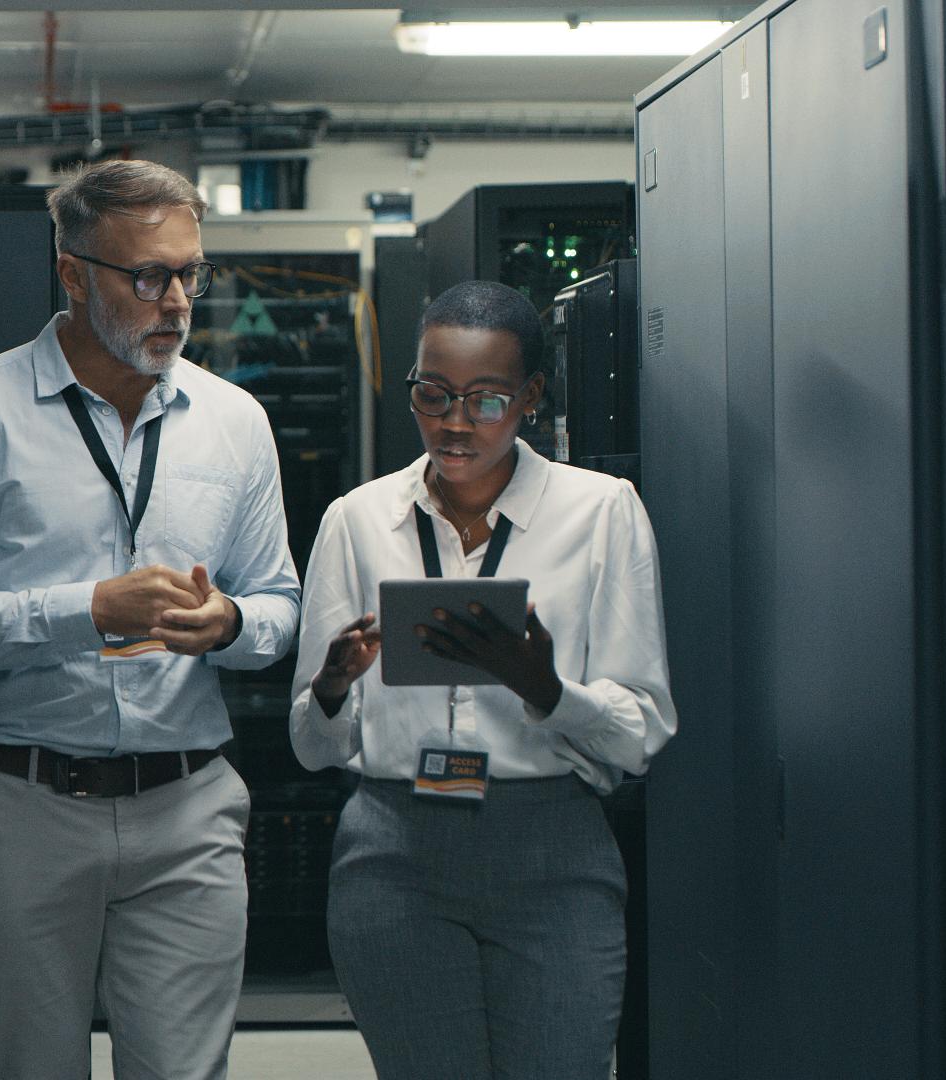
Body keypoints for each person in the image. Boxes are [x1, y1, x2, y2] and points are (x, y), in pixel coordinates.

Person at [0, 160, 300, 1080]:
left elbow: (280, 606)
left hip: (188, 808)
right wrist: (87, 612)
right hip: (25, 805)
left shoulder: (236, 422)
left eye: (192, 273)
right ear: (72, 273)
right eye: (147, 276)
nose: (178, 301)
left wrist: (229, 624)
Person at [288, 280, 676, 1079]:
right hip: (394, 850)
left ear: (532, 396)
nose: (455, 422)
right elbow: (312, 747)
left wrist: (545, 687)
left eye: (486, 399)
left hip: (551, 852)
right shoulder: (358, 520)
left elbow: (640, 735)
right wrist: (330, 688)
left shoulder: (603, 512)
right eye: (433, 394)